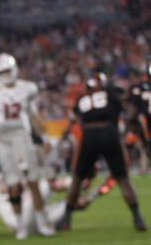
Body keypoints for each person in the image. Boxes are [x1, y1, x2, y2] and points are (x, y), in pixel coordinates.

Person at [56, 71, 146, 232]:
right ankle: (137, 218)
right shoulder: (112, 93)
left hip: (89, 135)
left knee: (77, 178)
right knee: (122, 179)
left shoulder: (82, 98)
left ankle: (66, 218)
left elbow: (77, 120)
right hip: (109, 133)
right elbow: (131, 111)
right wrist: (127, 126)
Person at [0, 53, 55, 240]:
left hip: (22, 138)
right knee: (12, 184)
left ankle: (42, 223)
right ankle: (20, 226)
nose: (5, 75)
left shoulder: (27, 88)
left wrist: (45, 137)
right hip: (4, 141)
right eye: (1, 72)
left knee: (32, 181)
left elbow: (33, 114)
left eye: (7, 71)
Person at [127, 62, 151, 171]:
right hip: (145, 119)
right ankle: (145, 165)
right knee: (145, 143)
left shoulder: (139, 87)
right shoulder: (140, 87)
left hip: (144, 119)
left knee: (146, 143)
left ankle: (145, 165)